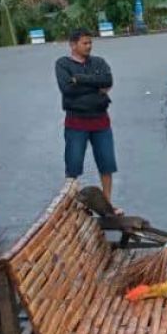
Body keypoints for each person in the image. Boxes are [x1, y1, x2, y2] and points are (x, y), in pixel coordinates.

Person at [55, 28, 117, 204]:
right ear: (73, 45)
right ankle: (71, 203)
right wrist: (96, 88)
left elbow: (108, 81)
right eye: (85, 43)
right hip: (76, 122)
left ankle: (108, 202)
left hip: (101, 120)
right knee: (73, 164)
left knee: (107, 163)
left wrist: (80, 79)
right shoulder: (63, 64)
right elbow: (67, 89)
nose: (89, 46)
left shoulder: (98, 62)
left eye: (90, 42)